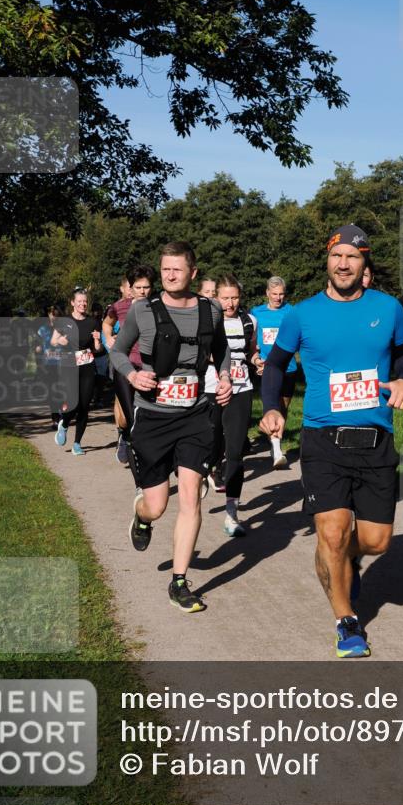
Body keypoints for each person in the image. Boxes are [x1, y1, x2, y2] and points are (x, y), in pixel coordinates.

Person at [260, 224, 403, 658]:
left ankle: (348, 562)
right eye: (336, 256)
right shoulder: (302, 314)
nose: (343, 263)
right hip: (322, 437)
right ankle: (347, 622)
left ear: (365, 264)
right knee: (331, 533)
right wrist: (273, 407)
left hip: (376, 437)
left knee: (377, 540)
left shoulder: (387, 309)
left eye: (353, 256)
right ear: (327, 261)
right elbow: (275, 365)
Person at [109, 242, 232, 614]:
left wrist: (224, 377)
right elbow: (117, 351)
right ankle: (141, 515)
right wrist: (133, 375)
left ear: (193, 273)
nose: (170, 276)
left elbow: (222, 350)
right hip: (153, 416)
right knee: (158, 505)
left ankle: (179, 582)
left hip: (195, 413)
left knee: (192, 494)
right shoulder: (142, 311)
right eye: (166, 270)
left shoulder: (210, 310)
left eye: (178, 270)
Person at [205, 274, 257, 536]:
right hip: (210, 388)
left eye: (234, 297)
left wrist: (257, 361)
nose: (230, 303)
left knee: (235, 452)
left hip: (241, 389)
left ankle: (231, 514)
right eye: (225, 298)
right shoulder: (207, 322)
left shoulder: (249, 321)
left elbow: (251, 351)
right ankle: (206, 468)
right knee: (211, 443)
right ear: (216, 297)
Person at [103, 267, 156, 464]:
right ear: (130, 288)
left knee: (143, 416)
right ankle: (125, 436)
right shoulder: (119, 306)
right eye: (138, 287)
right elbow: (107, 324)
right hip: (125, 367)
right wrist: (109, 339)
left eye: (146, 287)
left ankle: (142, 459)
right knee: (129, 418)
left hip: (149, 369)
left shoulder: (158, 306)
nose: (142, 291)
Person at [250, 275, 297, 468]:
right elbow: (252, 339)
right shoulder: (257, 313)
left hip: (289, 367)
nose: (278, 298)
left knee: (283, 407)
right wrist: (256, 358)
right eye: (274, 294)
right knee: (271, 405)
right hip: (266, 367)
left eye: (281, 294)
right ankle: (277, 449)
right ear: (267, 293)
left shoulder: (292, 312)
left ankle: (275, 441)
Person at [51, 288, 105, 455]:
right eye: (79, 301)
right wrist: (61, 340)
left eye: (85, 301)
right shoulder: (63, 321)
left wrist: (97, 340)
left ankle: (77, 444)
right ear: (73, 303)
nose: (83, 303)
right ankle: (65, 423)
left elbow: (97, 349)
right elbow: (53, 342)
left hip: (87, 365)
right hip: (68, 365)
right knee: (73, 402)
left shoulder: (93, 322)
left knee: (84, 405)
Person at [36, 305, 65, 427]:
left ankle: (63, 414)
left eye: (56, 315)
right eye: (52, 314)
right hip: (49, 365)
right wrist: (38, 349)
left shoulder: (64, 329)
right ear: (48, 315)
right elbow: (38, 346)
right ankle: (55, 418)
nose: (54, 316)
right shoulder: (43, 330)